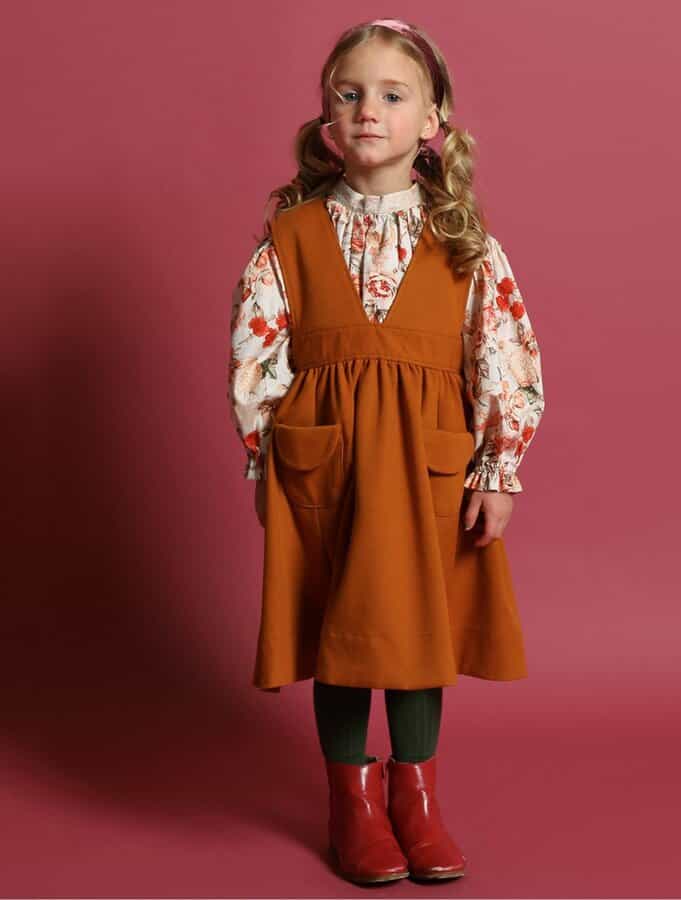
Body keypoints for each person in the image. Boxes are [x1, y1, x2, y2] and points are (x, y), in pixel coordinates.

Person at [227, 17, 545, 885]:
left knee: (413, 625)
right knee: (343, 627)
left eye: (393, 95)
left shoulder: (464, 240)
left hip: (426, 465)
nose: (369, 109)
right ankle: (353, 804)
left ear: (432, 119)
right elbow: (256, 353)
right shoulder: (292, 235)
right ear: (328, 116)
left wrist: (499, 467)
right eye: (350, 93)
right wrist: (265, 459)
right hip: (323, 465)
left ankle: (417, 800)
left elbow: (503, 354)